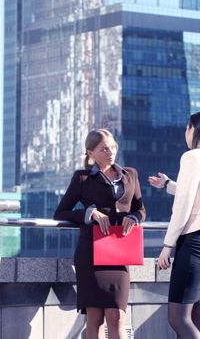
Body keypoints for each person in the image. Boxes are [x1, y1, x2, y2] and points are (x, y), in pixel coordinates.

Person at [54, 128, 145, 339]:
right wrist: (90, 212)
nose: (110, 152)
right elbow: (61, 212)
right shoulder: (82, 178)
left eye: (113, 147)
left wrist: (133, 218)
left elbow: (140, 209)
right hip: (91, 253)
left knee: (117, 316)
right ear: (90, 152)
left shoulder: (130, 174)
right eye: (104, 149)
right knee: (94, 317)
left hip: (120, 254)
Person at [148, 111, 200, 339]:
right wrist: (168, 185)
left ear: (195, 130)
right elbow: (195, 193)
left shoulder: (191, 157)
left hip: (194, 242)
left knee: (178, 317)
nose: (185, 133)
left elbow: (183, 205)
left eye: (187, 128)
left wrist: (167, 245)